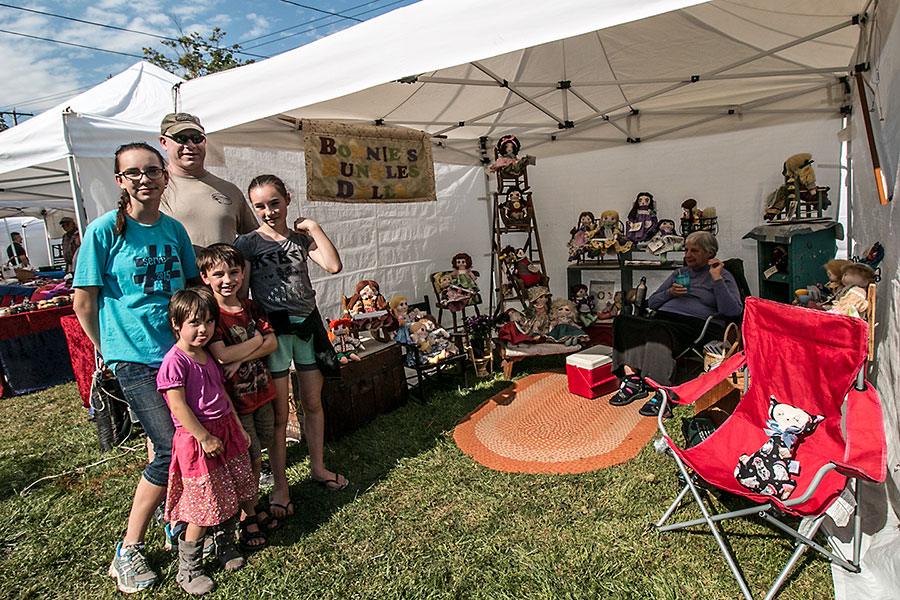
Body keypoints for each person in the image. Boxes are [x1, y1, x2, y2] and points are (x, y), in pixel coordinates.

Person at [73, 142, 199, 593]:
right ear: (120, 180)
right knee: (169, 448)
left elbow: (188, 289)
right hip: (133, 357)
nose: (144, 179)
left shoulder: (173, 230)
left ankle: (176, 519)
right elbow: (83, 301)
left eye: (152, 171)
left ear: (165, 176)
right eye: (134, 173)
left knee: (172, 442)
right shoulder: (104, 231)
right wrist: (106, 350)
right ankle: (128, 549)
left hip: (176, 354)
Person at [233, 174, 347, 520]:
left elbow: (333, 264)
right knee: (282, 415)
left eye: (274, 203)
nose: (269, 212)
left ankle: (318, 467)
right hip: (274, 333)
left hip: (307, 327)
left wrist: (312, 226)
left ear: (287, 200)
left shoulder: (300, 239)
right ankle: (280, 485)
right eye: (260, 206)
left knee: (312, 403)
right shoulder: (248, 243)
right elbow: (241, 293)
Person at [157, 288, 260, 595]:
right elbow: (178, 407)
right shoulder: (174, 362)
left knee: (232, 490)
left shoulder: (207, 355)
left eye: (209, 323)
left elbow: (220, 393)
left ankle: (225, 546)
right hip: (198, 440)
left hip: (226, 430)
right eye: (194, 323)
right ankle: (188, 569)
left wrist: (238, 426)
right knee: (204, 503)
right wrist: (204, 437)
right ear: (176, 324)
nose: (203, 330)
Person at [609, 231, 743, 416]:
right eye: (686, 250)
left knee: (657, 330)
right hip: (664, 317)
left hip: (696, 325)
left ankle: (664, 391)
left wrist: (717, 279)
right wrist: (670, 293)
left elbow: (733, 310)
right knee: (623, 321)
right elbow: (653, 302)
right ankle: (633, 380)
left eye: (694, 250)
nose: (688, 255)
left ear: (709, 253)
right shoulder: (680, 273)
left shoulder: (722, 275)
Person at [196, 243, 280, 535]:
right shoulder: (211, 315)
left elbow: (273, 343)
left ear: (243, 274)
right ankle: (247, 512)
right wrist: (256, 341)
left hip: (261, 392)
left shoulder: (252, 306)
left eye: (233, 272)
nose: (227, 279)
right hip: (235, 401)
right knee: (249, 455)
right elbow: (222, 356)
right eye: (218, 274)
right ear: (205, 277)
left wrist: (246, 352)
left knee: (264, 444)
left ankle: (252, 502)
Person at [158, 113, 258, 251]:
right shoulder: (153, 189)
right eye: (181, 139)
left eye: (197, 139)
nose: (190, 145)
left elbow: (255, 242)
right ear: (164, 142)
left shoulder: (229, 190)